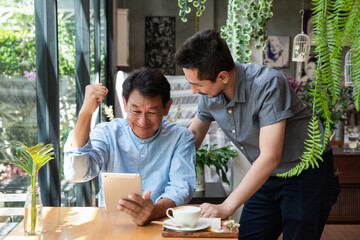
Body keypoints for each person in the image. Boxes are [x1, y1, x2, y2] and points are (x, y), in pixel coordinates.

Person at [174, 29, 340, 239]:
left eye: (196, 84)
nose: (193, 91)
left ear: (222, 76)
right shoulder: (210, 92)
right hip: (267, 174)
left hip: (305, 172)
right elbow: (195, 135)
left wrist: (225, 207)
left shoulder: (268, 84)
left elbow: (270, 156)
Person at [63, 68, 196, 225]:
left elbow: (181, 189)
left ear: (167, 107)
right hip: (111, 226)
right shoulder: (107, 133)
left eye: (152, 112)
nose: (143, 121)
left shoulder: (181, 137)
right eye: (136, 111)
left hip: (162, 225)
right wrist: (86, 112)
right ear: (124, 104)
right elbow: (76, 173)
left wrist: (152, 211)